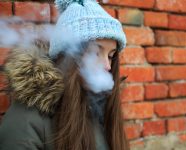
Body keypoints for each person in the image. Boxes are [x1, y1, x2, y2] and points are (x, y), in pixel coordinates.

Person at [0, 0, 129, 150]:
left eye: (111, 56)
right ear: (66, 57)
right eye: (94, 52)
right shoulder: (26, 120)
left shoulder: (99, 109)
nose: (107, 66)